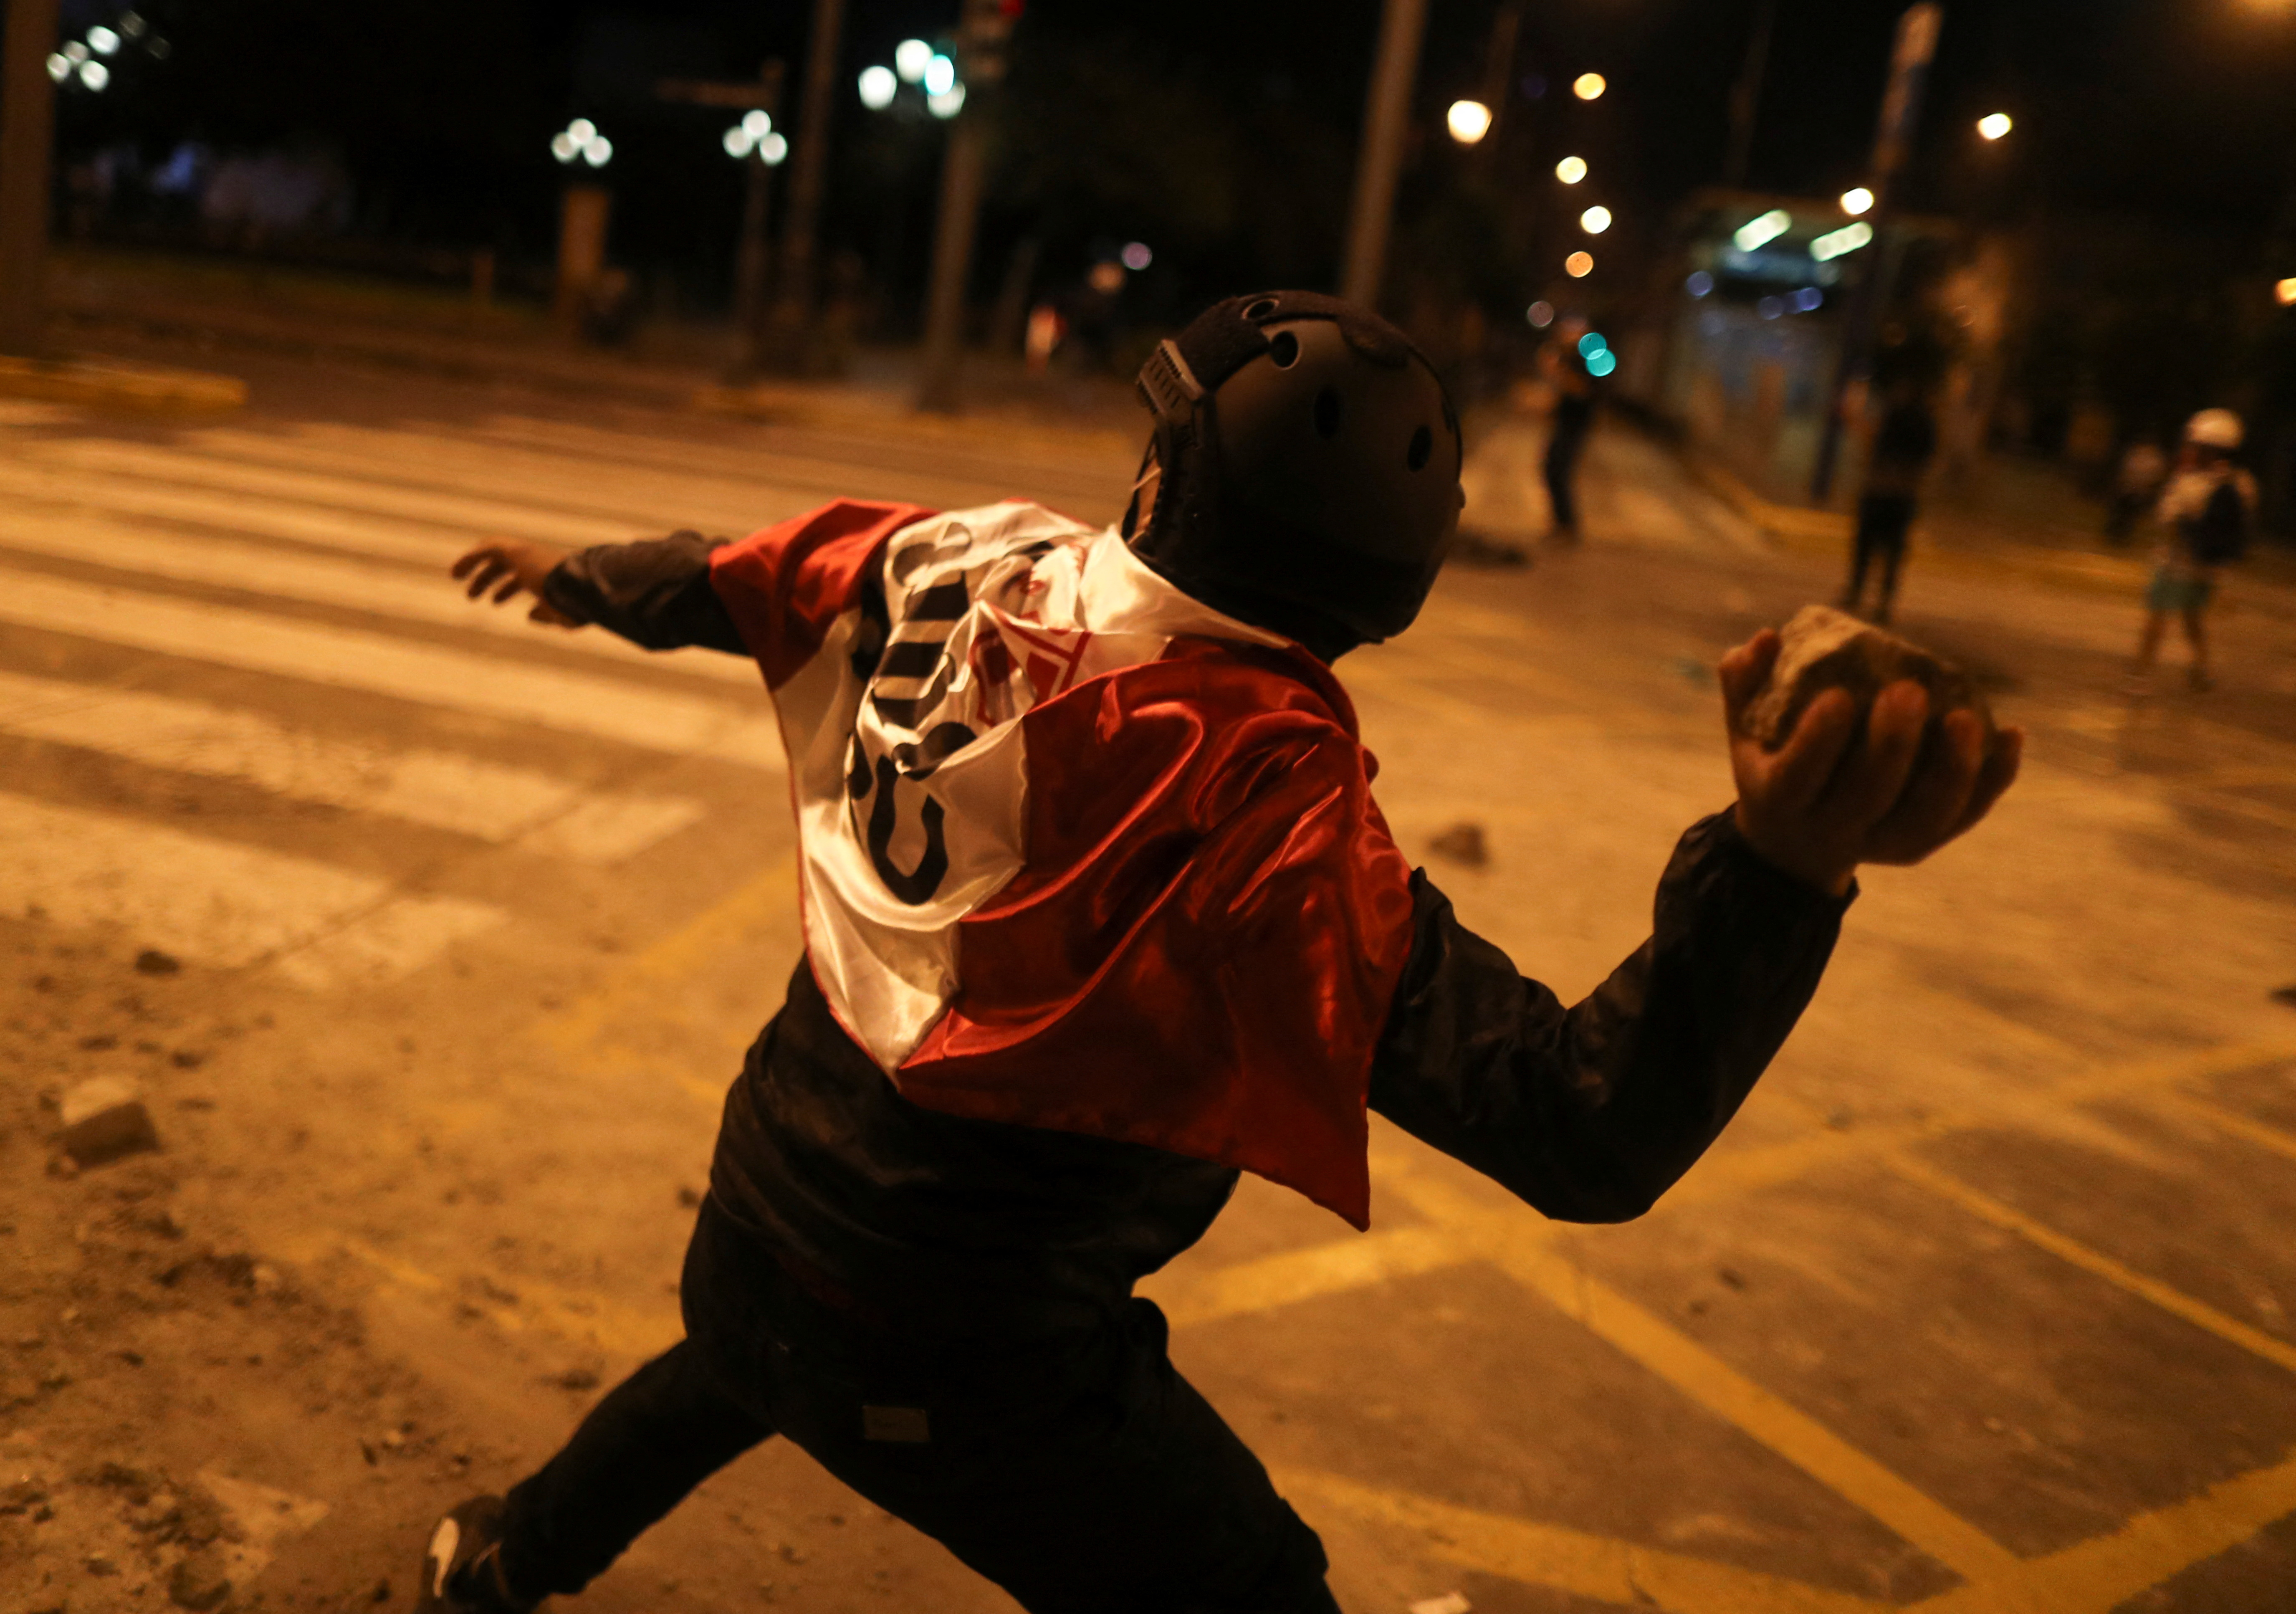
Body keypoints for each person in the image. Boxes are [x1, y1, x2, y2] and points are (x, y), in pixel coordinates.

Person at [423, 291, 2020, 1614]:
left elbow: (741, 575)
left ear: (1149, 478)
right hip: (972, 1343)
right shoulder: (1268, 801)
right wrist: (1780, 873)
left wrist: (582, 577)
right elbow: (1580, 1126)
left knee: (739, 1357)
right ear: (1389, 599)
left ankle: (502, 1553)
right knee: (1251, 1590)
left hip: (764, 1196)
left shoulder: (957, 556)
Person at [2128, 407, 2257, 693]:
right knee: (2193, 618)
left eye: (2194, 446)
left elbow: (2165, 519)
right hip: (2209, 568)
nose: (2188, 450)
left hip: (2176, 562)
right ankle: (2201, 667)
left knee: (2157, 619)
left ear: (2208, 450)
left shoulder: (2188, 482)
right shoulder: (2243, 483)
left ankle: (2141, 676)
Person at [1840, 375, 1938, 623]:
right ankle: (1882, 601)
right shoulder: (1926, 422)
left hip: (1881, 488)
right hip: (1903, 493)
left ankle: (1857, 591)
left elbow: (1874, 445)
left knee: (1867, 545)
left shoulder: (1894, 416)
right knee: (1892, 551)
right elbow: (1927, 459)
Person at [1538, 322, 1599, 541]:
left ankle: (1567, 525)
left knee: (1558, 470)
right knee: (1551, 468)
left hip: (1576, 424)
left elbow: (1585, 390)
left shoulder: (1588, 359)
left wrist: (1558, 374)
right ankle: (1562, 523)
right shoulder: (1568, 358)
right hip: (1566, 420)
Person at [2103, 438, 2167, 547]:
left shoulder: (2154, 459)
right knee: (2120, 512)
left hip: (2139, 491)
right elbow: (2126, 469)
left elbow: (2155, 476)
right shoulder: (2137, 455)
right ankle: (2114, 533)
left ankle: (2121, 535)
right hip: (2128, 489)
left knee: (2129, 515)